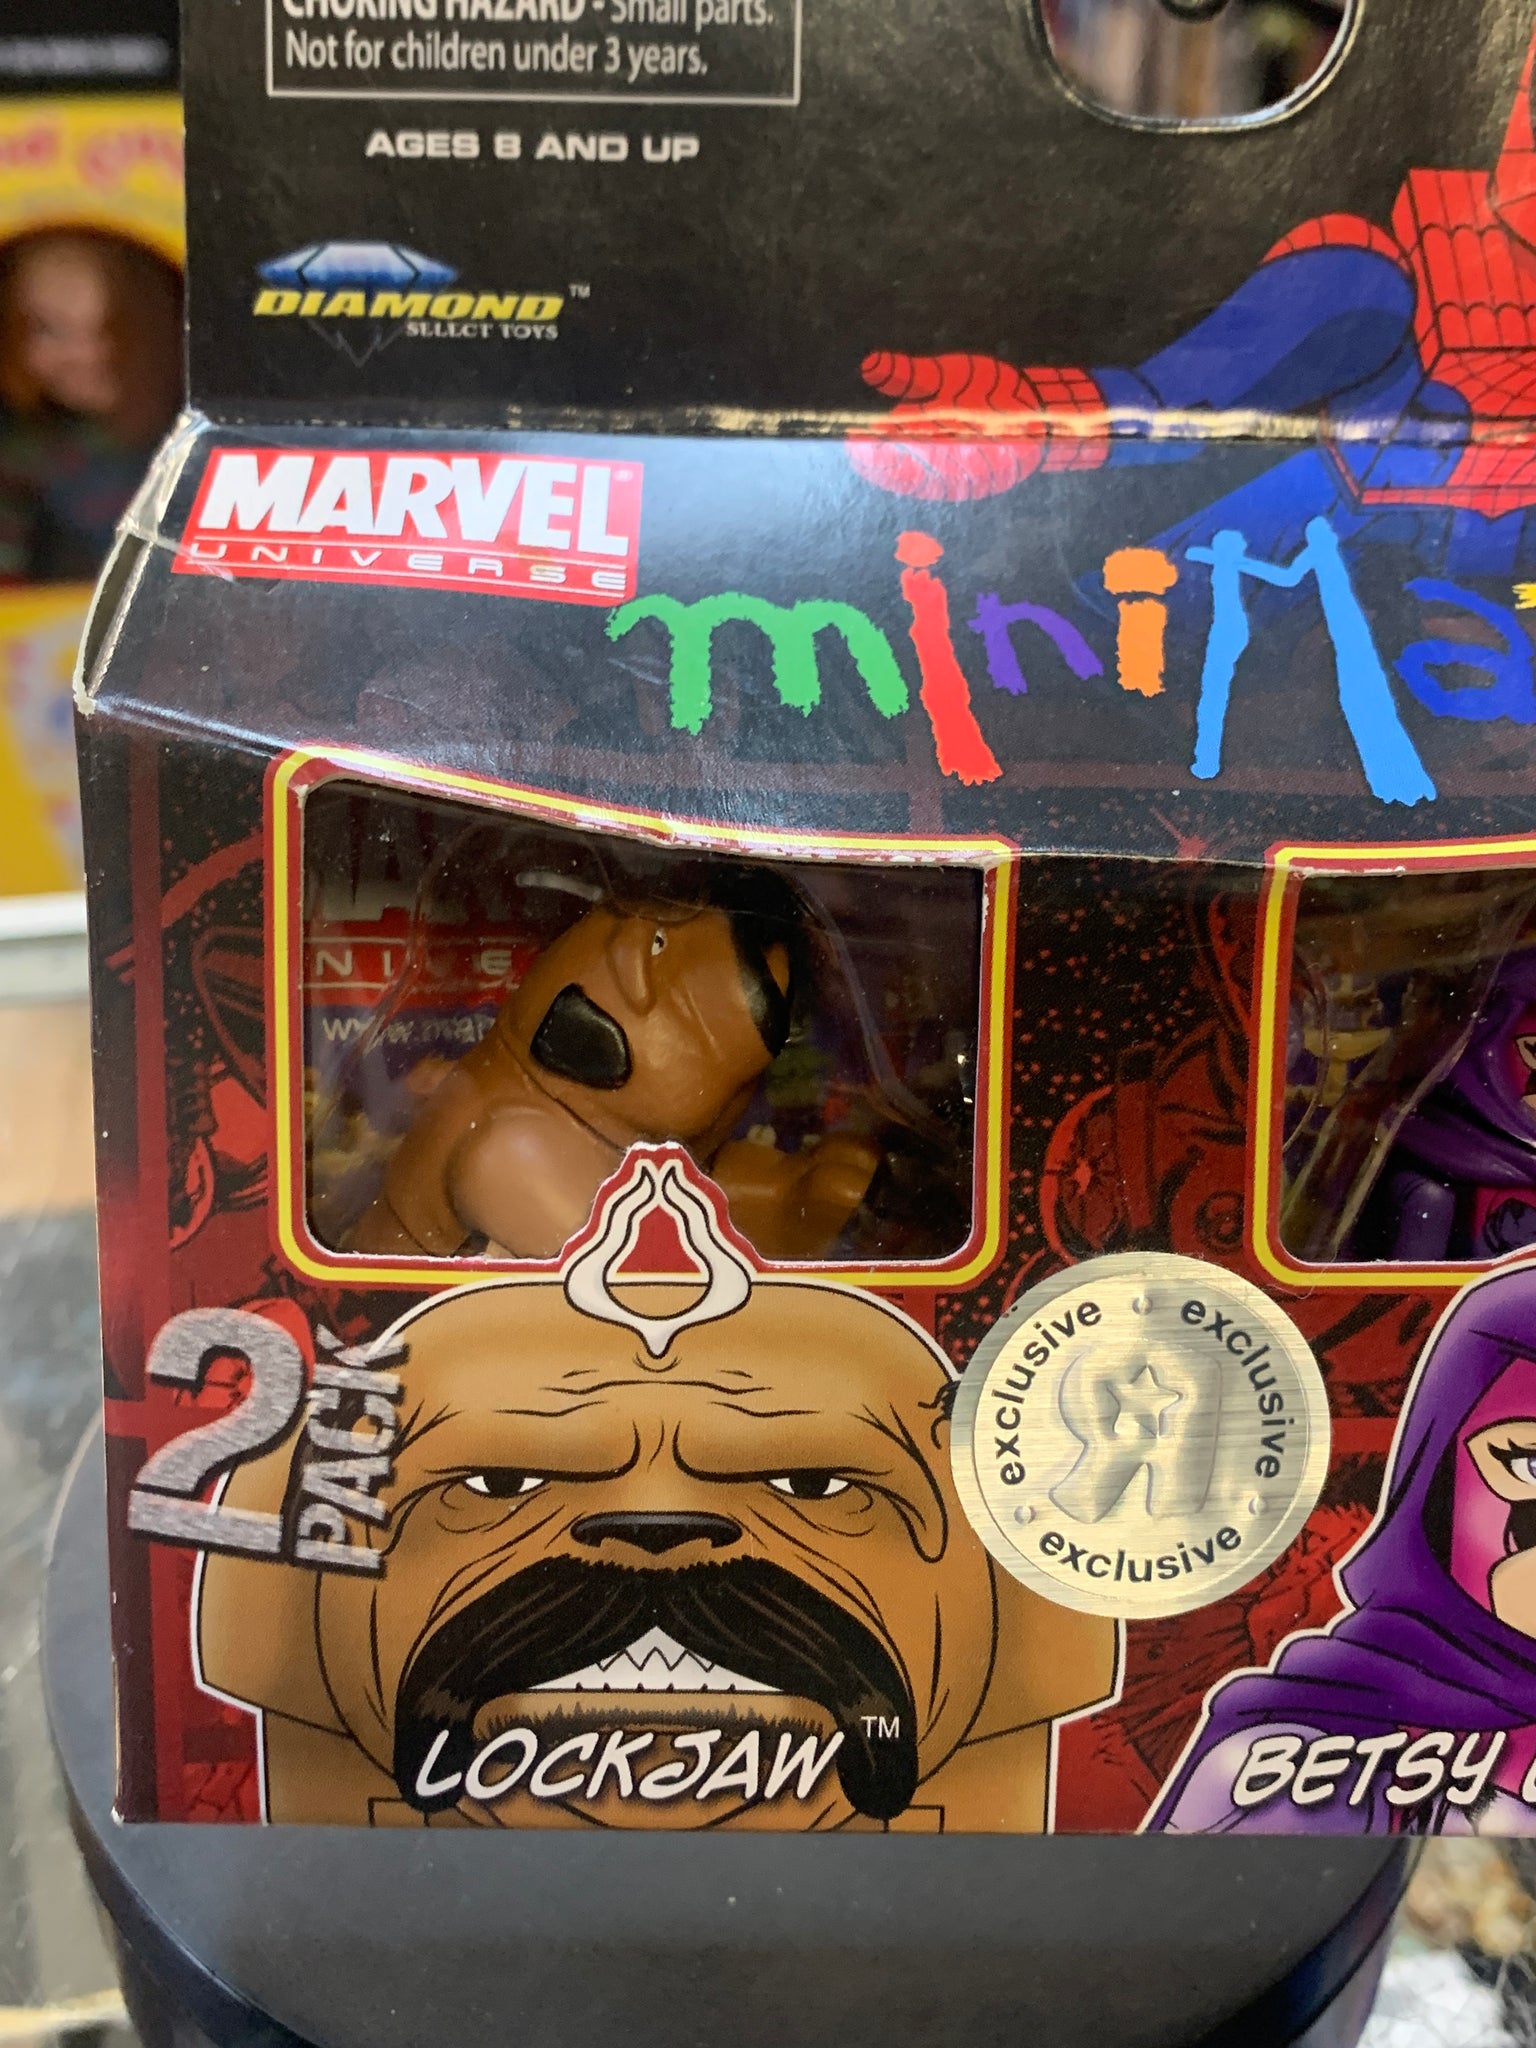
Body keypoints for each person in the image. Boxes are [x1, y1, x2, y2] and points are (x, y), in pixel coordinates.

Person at [0, 230, 181, 584]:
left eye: (115, 327)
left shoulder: (209, 436)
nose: (85, 354)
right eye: (48, 330)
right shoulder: (20, 449)